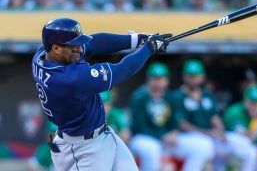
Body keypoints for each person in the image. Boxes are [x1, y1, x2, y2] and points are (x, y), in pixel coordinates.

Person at [31, 17, 171, 171]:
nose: (79, 49)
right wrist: (149, 48)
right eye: (73, 46)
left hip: (101, 135)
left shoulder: (42, 55)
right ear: (56, 48)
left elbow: (93, 43)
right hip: (82, 149)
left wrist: (137, 39)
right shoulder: (71, 79)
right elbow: (122, 69)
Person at [169, 59, 217, 171]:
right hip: (184, 136)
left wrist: (219, 131)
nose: (193, 80)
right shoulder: (177, 96)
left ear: (202, 77)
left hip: (207, 136)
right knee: (203, 146)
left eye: (196, 76)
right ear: (184, 77)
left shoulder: (207, 95)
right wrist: (207, 133)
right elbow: (182, 124)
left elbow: (215, 119)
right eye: (190, 76)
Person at [129, 62, 178, 171]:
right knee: (152, 148)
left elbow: (174, 121)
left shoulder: (170, 97)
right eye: (155, 79)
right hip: (141, 138)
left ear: (167, 80)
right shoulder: (140, 97)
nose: (158, 82)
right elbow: (140, 127)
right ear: (149, 80)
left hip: (164, 138)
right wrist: (163, 136)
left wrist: (174, 132)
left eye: (161, 79)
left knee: (198, 146)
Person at [224, 85, 257, 171]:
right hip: (227, 144)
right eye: (252, 102)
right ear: (245, 101)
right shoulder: (234, 112)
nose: (255, 106)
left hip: (251, 145)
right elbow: (249, 137)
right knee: (249, 151)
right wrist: (256, 120)